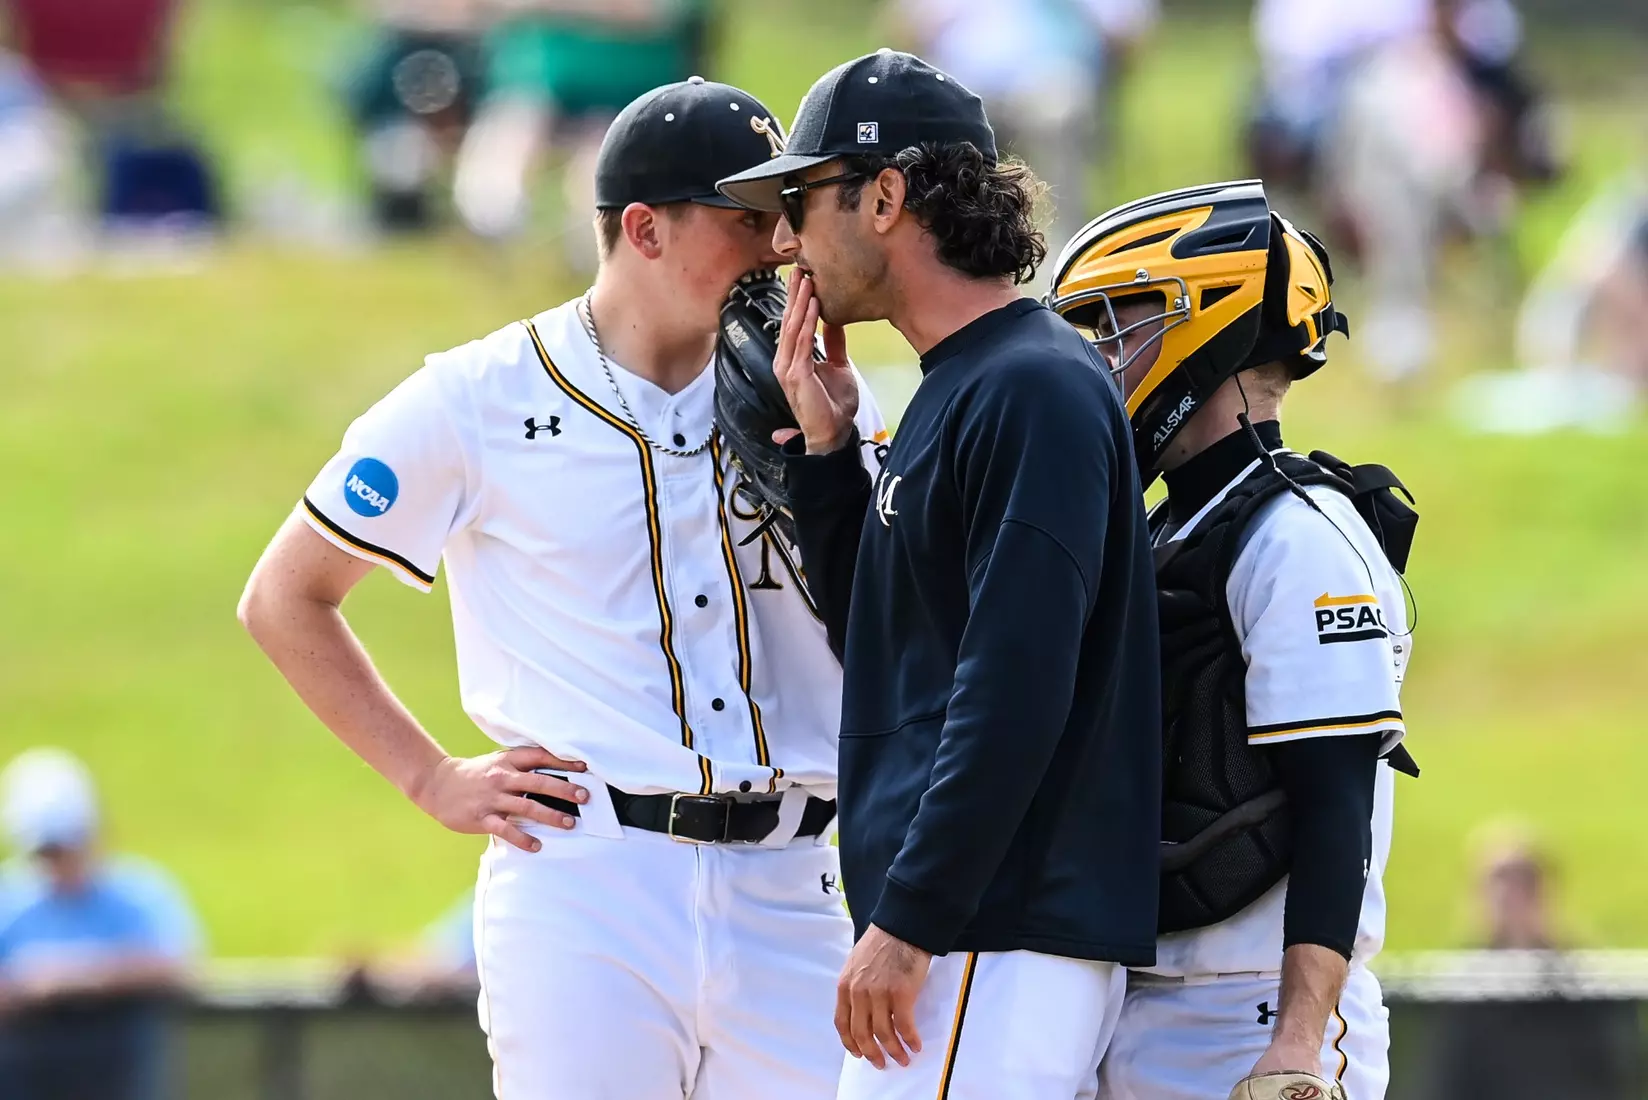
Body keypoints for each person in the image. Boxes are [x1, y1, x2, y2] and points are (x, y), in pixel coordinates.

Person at [239, 76, 887, 1100]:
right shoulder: (479, 395)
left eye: (787, 215)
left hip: (794, 879)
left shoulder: (823, 397)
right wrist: (429, 777)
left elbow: (896, 624)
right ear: (644, 228)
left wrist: (836, 450)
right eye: (748, 217)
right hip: (591, 883)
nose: (781, 246)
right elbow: (285, 594)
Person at [716, 49, 1162, 1100]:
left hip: (990, 928)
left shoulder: (1032, 386)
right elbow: (890, 638)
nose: (781, 241)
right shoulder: (967, 384)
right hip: (973, 929)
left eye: (800, 199)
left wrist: (911, 916)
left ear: (885, 195)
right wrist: (827, 464)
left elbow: (1015, 685)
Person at [1045, 180, 1417, 1100]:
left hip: (1252, 1015)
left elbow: (1336, 805)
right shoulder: (1177, 523)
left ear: (1205, 322)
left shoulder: (1300, 532)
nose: (1101, 355)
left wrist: (1297, 1043)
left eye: (1119, 321)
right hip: (1137, 1002)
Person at [0, 748, 201, 1100]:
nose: (60, 862)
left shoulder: (140, 891)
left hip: (120, 1075)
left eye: (66, 846)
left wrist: (78, 977)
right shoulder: (9, 900)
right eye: (48, 851)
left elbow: (178, 963)